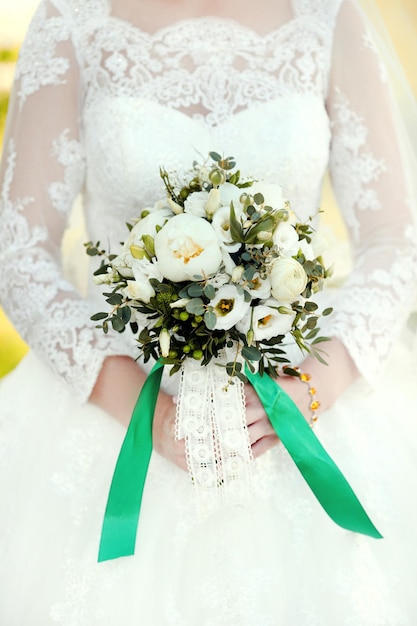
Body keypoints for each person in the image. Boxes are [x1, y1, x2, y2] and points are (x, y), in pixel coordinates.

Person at [1, 0, 417, 623]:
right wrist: (152, 415)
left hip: (301, 395)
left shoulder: (331, 18)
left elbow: (395, 241)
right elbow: (20, 251)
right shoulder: (70, 20)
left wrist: (306, 392)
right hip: (119, 406)